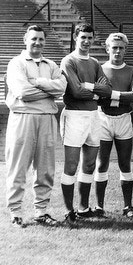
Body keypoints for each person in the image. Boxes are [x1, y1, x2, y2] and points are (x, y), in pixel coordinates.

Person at [5, 25, 67, 227]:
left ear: (45, 42)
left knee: (46, 168)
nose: (37, 43)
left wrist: (36, 82)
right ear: (25, 40)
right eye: (33, 39)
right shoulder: (17, 63)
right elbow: (23, 92)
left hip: (47, 118)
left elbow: (62, 87)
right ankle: (15, 212)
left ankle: (41, 212)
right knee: (18, 166)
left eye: (41, 39)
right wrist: (49, 90)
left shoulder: (51, 64)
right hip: (23, 117)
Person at [60, 23, 113, 222]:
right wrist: (96, 92)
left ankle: (83, 208)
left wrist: (90, 89)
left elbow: (107, 90)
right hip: (74, 116)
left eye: (90, 38)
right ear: (75, 37)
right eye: (83, 37)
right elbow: (75, 91)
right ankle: (68, 210)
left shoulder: (94, 62)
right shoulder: (68, 61)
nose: (87, 41)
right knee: (72, 165)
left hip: (93, 116)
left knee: (89, 164)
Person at [94, 33, 133, 218]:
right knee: (101, 163)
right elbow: (96, 95)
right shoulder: (99, 69)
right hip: (103, 118)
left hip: (123, 118)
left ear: (126, 50)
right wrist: (120, 95)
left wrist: (110, 93)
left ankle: (128, 206)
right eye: (114, 47)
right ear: (107, 49)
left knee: (125, 163)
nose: (118, 51)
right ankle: (99, 206)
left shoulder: (132, 71)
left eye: (121, 48)